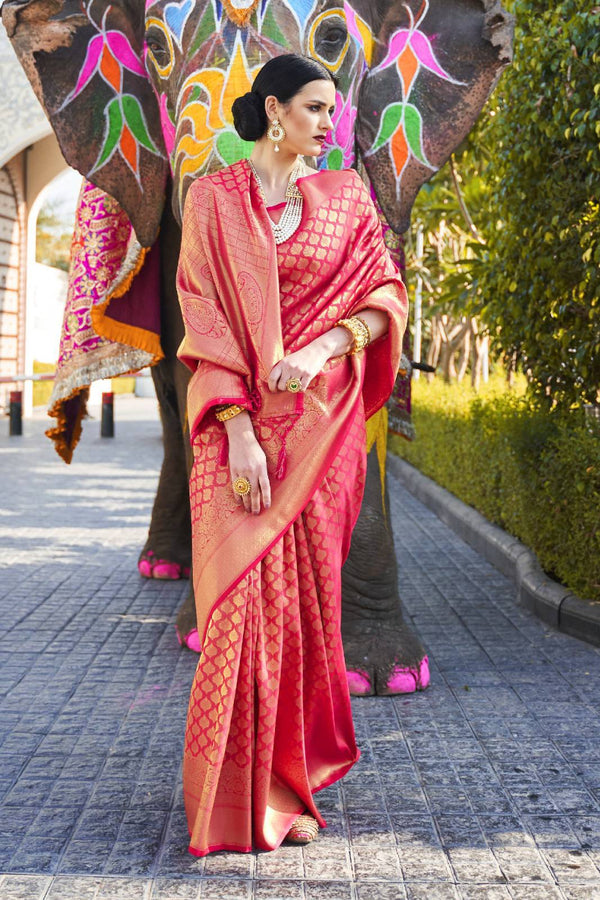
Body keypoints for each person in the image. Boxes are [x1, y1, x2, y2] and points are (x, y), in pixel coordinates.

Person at [176, 53, 408, 856]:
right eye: (315, 107)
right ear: (274, 111)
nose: (328, 122)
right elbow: (202, 319)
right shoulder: (210, 199)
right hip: (234, 428)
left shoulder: (346, 197)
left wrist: (322, 350)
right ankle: (226, 799)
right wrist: (238, 427)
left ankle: (288, 788)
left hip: (319, 427)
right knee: (239, 607)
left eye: (332, 108)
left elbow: (385, 297)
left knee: (303, 612)